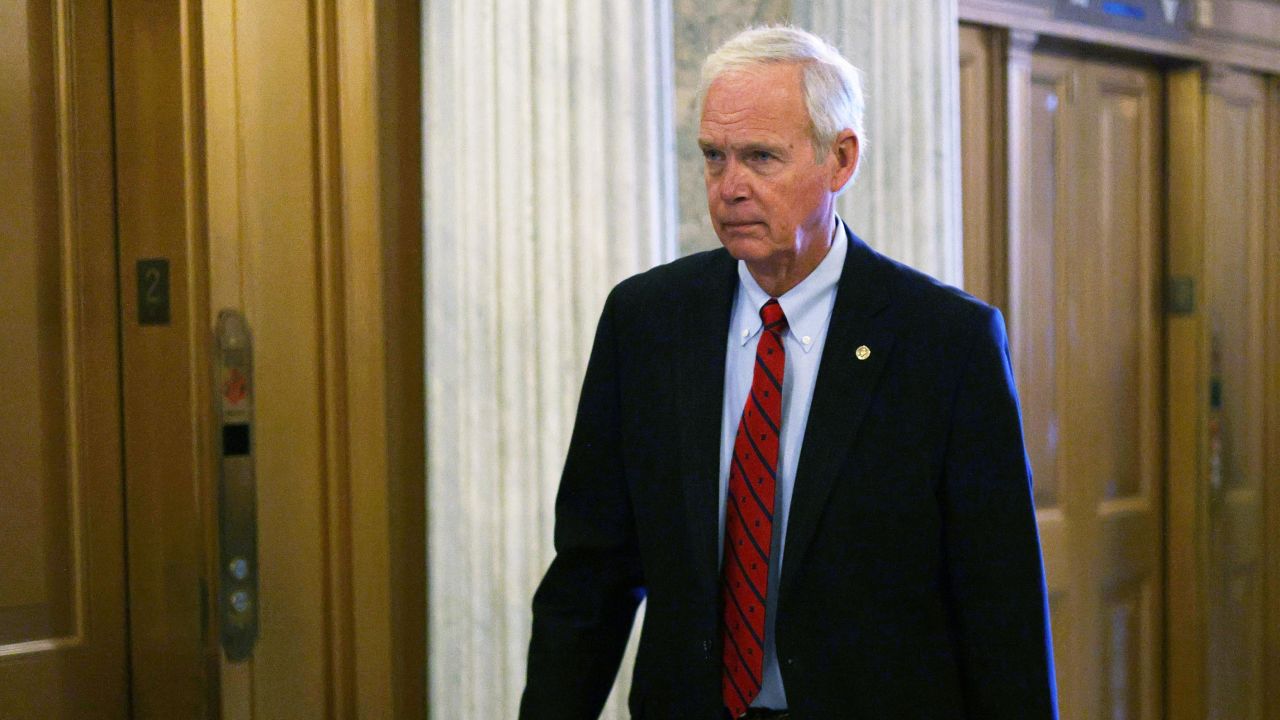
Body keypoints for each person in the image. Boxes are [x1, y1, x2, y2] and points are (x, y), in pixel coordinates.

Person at [520, 25, 1057, 720]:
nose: (729, 187)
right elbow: (590, 577)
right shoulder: (647, 321)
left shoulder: (946, 342)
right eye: (714, 157)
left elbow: (1001, 604)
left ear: (841, 159)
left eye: (760, 158)